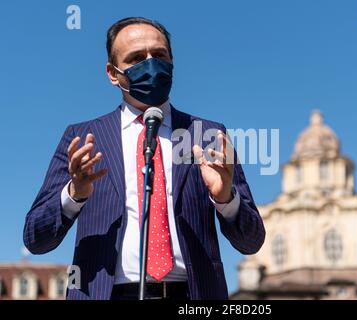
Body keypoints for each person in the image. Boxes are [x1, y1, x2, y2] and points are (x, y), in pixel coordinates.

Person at [23, 17, 265, 300]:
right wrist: (73, 195)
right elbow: (36, 239)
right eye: (136, 58)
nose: (151, 64)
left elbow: (252, 241)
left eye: (159, 55)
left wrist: (226, 199)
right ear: (113, 74)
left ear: (172, 61)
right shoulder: (82, 137)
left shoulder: (208, 135)